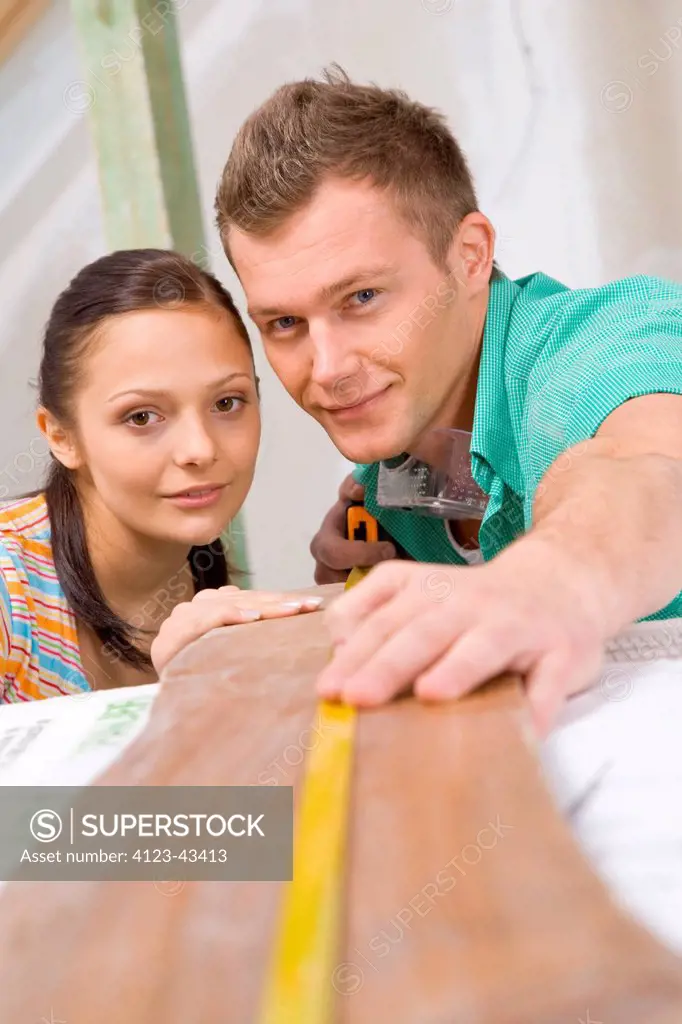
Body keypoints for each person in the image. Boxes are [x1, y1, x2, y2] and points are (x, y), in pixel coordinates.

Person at [186, 64, 681, 736]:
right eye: (285, 324)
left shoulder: (597, 342)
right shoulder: (393, 477)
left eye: (361, 299)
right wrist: (333, 595)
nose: (327, 370)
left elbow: (646, 465)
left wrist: (551, 580)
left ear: (471, 255)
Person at [0, 248, 322, 702]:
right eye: (142, 417)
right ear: (61, 435)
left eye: (226, 403)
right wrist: (166, 706)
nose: (200, 449)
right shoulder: (8, 591)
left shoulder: (199, 581)